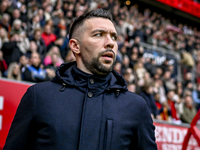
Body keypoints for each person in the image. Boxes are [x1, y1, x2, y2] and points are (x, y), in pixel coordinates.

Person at [4, 9, 157, 150]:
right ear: (75, 46)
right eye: (98, 34)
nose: (110, 42)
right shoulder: (38, 96)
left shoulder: (137, 107)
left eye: (114, 37)